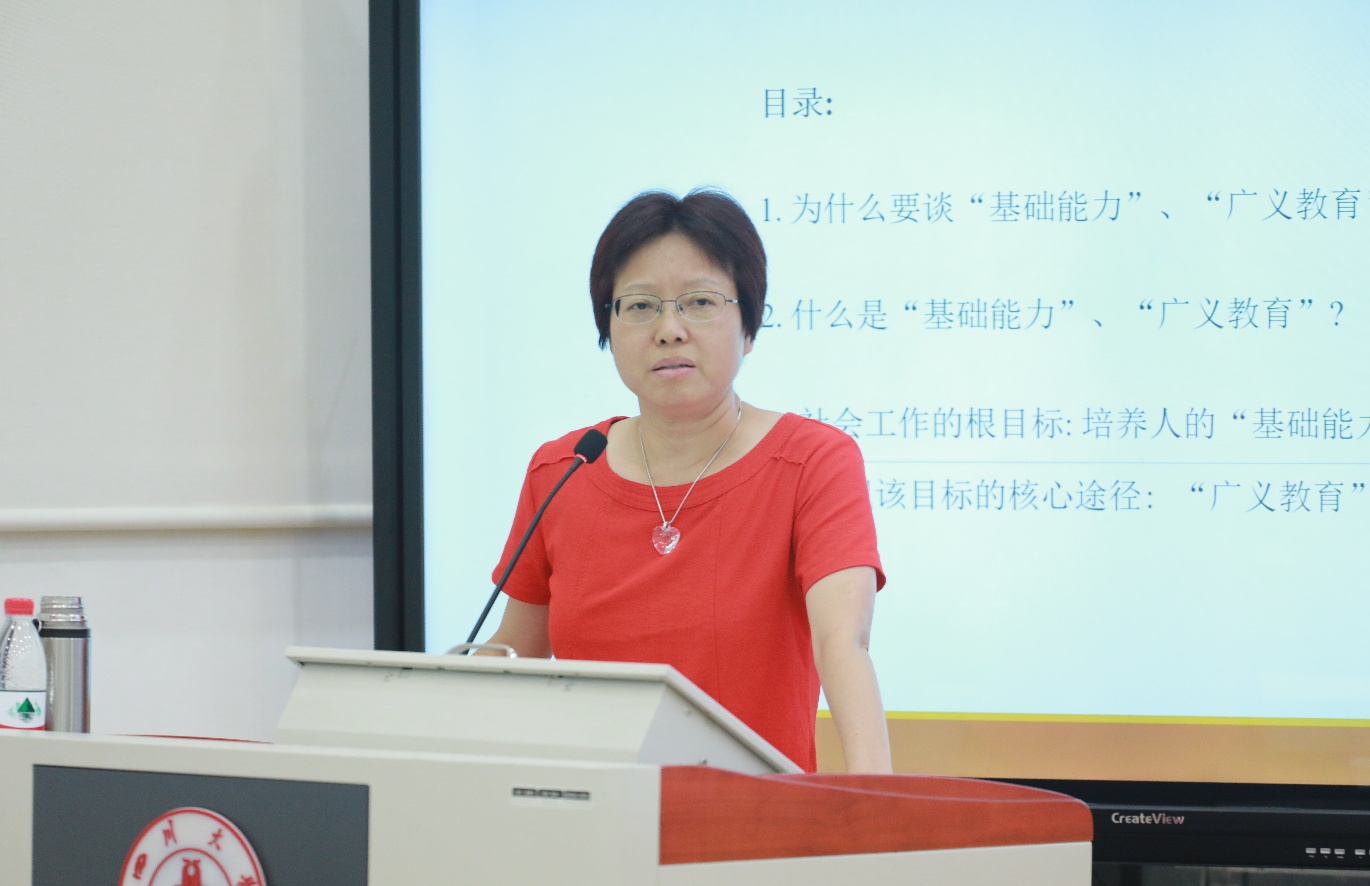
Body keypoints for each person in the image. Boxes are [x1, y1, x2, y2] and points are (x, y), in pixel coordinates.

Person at [485, 188, 891, 774]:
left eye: (700, 302)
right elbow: (515, 657)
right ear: (608, 328)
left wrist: (874, 800)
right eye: (640, 305)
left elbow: (842, 642)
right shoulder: (564, 468)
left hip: (752, 820)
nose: (669, 329)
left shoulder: (811, 461)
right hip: (591, 816)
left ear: (748, 326)